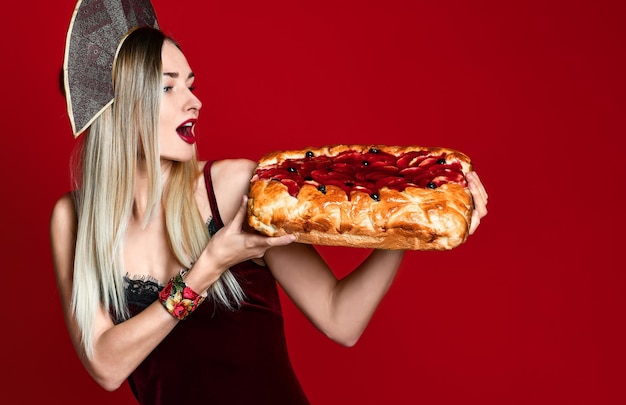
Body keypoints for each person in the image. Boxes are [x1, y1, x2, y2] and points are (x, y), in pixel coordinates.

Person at [50, 12, 489, 405]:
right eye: (168, 87)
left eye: (191, 84)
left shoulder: (236, 185)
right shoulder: (74, 220)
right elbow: (106, 367)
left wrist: (410, 221)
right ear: (121, 108)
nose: (194, 101)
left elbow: (341, 319)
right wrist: (210, 264)